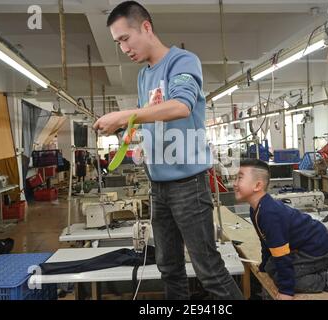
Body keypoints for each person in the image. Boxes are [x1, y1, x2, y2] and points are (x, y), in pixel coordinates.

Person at [93, 1, 243, 300]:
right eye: (117, 43)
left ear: (146, 27)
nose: (123, 49)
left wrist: (125, 115)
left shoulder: (183, 61)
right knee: (168, 267)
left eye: (125, 39)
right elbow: (151, 119)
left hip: (189, 185)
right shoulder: (143, 75)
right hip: (158, 186)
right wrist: (127, 133)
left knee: (208, 270)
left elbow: (180, 106)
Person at [233, 158, 328, 300]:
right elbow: (266, 241)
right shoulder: (256, 209)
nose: (234, 183)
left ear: (257, 185)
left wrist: (287, 291)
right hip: (302, 246)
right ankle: (317, 267)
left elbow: (281, 254)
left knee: (286, 280)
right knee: (271, 268)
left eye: (240, 178)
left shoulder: (269, 214)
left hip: (317, 249)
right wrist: (264, 266)